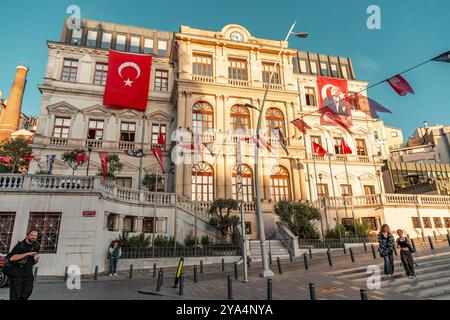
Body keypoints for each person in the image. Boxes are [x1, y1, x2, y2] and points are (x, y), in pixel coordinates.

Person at [6, 229, 40, 300]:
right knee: (15, 296)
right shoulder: (20, 245)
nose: (33, 237)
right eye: (31, 235)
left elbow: (33, 261)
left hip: (28, 274)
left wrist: (36, 260)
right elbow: (12, 258)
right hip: (16, 274)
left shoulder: (36, 246)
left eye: (35, 236)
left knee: (27, 292)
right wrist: (27, 254)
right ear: (28, 235)